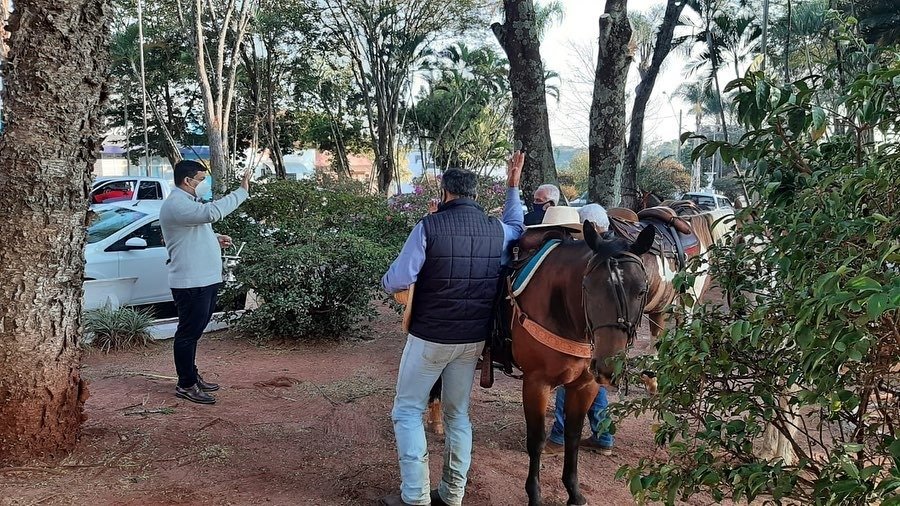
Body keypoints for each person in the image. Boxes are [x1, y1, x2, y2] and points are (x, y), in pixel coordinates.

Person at [380, 152, 526, 506]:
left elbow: (398, 279)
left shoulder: (428, 227)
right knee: (457, 415)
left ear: (445, 192)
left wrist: (386, 280)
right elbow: (517, 226)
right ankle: (452, 493)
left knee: (407, 411)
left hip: (430, 337)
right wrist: (512, 187)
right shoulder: (496, 229)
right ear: (475, 194)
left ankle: (415, 497)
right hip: (473, 340)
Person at [159, 160, 252, 405]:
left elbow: (195, 229)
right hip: (191, 282)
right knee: (188, 334)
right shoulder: (177, 203)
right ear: (187, 181)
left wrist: (215, 238)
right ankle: (186, 384)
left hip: (204, 280)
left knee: (194, 333)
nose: (204, 184)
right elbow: (211, 213)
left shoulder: (188, 202)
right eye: (201, 179)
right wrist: (241, 191)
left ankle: (191, 376)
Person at [545, 203, 615, 456]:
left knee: (573, 379)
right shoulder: (615, 253)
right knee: (592, 380)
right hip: (603, 333)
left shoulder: (590, 257)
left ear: (591, 228)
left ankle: (558, 437)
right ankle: (603, 435)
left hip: (585, 332)